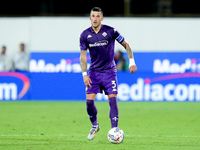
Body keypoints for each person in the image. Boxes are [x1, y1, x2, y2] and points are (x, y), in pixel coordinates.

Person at [79, 7, 137, 140]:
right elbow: (83, 56)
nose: (95, 18)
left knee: (112, 100)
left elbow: (126, 45)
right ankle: (95, 125)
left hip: (109, 72)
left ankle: (114, 130)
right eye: (93, 16)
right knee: (89, 102)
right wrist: (84, 74)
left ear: (102, 18)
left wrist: (132, 61)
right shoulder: (84, 35)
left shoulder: (111, 31)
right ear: (90, 18)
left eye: (98, 16)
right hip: (93, 72)